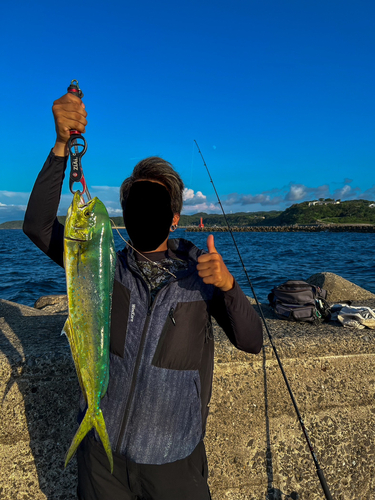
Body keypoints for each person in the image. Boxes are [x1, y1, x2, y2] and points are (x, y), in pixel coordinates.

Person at [23, 92, 263, 500]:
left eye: (157, 204)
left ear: (174, 218)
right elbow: (37, 226)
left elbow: (252, 340)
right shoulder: (99, 262)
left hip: (175, 466)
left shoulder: (200, 278)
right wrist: (62, 147)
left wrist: (228, 286)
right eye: (137, 202)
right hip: (103, 464)